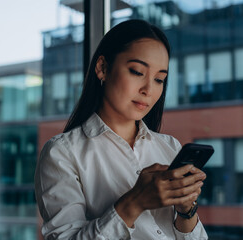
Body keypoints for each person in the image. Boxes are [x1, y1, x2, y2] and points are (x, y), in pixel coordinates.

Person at [34, 19, 208, 240]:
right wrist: (134, 203)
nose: (148, 89)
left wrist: (186, 210)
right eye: (137, 72)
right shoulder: (62, 153)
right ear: (102, 68)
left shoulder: (169, 146)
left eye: (159, 79)